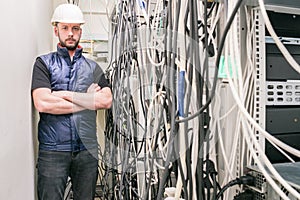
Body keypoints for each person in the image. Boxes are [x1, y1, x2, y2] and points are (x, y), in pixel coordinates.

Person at [31, 3, 112, 200]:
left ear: (80, 31)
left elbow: (106, 101)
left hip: (87, 150)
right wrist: (88, 100)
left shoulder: (93, 68)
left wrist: (62, 94)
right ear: (56, 29)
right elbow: (43, 103)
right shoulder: (43, 64)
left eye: (75, 28)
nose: (70, 33)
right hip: (52, 150)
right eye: (65, 28)